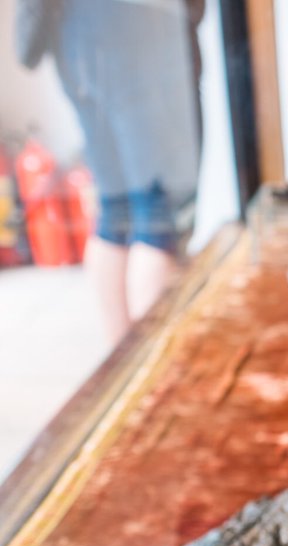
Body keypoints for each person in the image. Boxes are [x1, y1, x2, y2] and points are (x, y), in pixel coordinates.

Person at [16, 0, 205, 345]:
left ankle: (120, 361)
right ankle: (149, 373)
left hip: (78, 47)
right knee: (158, 218)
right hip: (143, 38)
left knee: (116, 210)